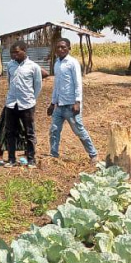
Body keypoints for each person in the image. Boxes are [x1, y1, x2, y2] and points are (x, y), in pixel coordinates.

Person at [47, 38, 99, 167]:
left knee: (79, 131)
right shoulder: (57, 64)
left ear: (69, 48)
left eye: (63, 47)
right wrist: (52, 103)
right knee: (54, 130)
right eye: (58, 47)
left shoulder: (72, 63)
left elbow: (78, 84)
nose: (60, 49)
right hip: (59, 105)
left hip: (71, 106)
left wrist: (77, 102)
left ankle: (93, 155)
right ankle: (53, 155)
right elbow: (56, 85)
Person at [0, 41, 43, 169]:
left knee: (29, 133)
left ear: (25, 51)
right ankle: (11, 159)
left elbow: (38, 85)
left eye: (17, 52)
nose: (14, 55)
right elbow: (9, 82)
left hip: (27, 104)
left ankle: (31, 159)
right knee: (10, 132)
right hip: (12, 104)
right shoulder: (10, 65)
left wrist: (31, 100)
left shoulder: (33, 67)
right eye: (12, 52)